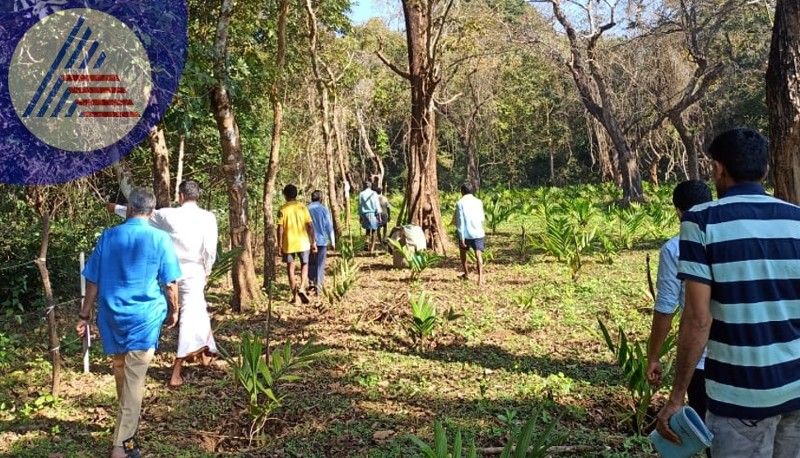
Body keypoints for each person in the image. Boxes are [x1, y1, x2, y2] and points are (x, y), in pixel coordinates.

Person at [656, 128, 800, 456]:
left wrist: (677, 396)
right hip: (795, 388)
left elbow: (697, 319)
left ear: (719, 169)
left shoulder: (702, 221)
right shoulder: (797, 221)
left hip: (740, 396)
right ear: (764, 170)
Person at [77, 188, 181, 458]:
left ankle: (127, 438)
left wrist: (84, 314)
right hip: (144, 318)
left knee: (122, 374)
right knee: (134, 381)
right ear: (152, 211)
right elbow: (170, 283)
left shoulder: (108, 237)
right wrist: (174, 311)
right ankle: (120, 447)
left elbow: (92, 279)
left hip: (112, 317)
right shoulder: (161, 239)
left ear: (130, 209)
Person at [108, 181, 219, 388]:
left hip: (174, 271)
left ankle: (201, 356)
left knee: (196, 313)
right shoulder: (208, 218)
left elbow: (141, 215)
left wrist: (115, 208)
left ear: (181, 196)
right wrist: (207, 270)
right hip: (195, 271)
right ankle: (180, 368)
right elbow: (210, 250)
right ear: (196, 196)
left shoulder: (169, 215)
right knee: (191, 316)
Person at [645, 180, 712, 422]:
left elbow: (665, 309)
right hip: (745, 356)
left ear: (678, 212)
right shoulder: (731, 239)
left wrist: (653, 356)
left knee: (708, 432)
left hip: (701, 359)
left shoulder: (674, 249)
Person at [277, 184, 317, 304]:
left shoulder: (282, 209)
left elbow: (280, 228)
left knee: (290, 268)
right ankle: (302, 287)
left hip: (288, 243)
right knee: (305, 264)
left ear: (285, 195)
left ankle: (295, 296)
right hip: (303, 242)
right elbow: (310, 226)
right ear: (296, 194)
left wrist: (279, 245)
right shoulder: (302, 207)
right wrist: (313, 242)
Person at [454, 183, 486, 285]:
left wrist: (461, 237)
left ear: (462, 191)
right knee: (478, 255)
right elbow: (482, 218)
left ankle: (466, 273)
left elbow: (460, 222)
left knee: (463, 253)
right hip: (478, 232)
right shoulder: (478, 202)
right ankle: (480, 278)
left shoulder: (460, 203)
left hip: (466, 234)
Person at [308, 190, 335, 295]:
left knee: (310, 262)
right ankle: (318, 286)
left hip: (309, 241)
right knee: (320, 264)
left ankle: (311, 282)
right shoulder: (324, 210)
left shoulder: (306, 209)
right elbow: (329, 226)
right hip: (321, 241)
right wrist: (332, 241)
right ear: (320, 198)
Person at [358, 182, 381, 254]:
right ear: (370, 187)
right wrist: (379, 215)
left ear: (365, 186)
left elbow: (360, 205)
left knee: (367, 230)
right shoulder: (374, 193)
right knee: (374, 231)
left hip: (365, 214)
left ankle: (367, 241)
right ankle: (372, 248)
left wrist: (360, 216)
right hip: (373, 214)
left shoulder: (361, 194)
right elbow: (377, 204)